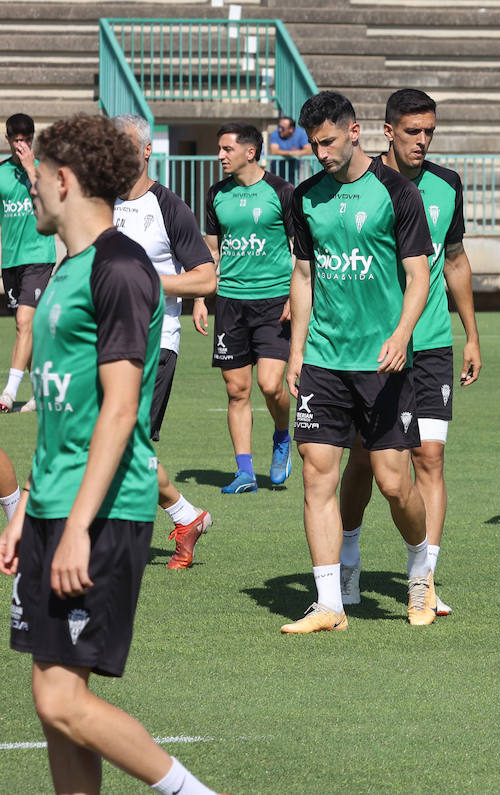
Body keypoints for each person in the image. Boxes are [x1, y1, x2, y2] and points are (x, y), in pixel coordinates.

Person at [0, 112, 220, 795]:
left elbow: (122, 409)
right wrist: (25, 509)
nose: (29, 190)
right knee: (53, 701)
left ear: (63, 179)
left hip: (98, 515)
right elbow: (67, 417)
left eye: (36, 177)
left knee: (63, 699)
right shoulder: (66, 269)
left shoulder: (120, 268)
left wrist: (71, 525)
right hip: (56, 505)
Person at [281, 90, 434, 632]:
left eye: (327, 141)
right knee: (317, 475)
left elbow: (418, 276)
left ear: (355, 131)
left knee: (394, 483)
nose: (320, 153)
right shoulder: (304, 198)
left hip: (383, 362)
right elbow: (304, 277)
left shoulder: (397, 193)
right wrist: (296, 350)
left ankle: (421, 569)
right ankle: (329, 604)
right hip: (324, 357)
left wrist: (401, 334)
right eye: (313, 144)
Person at [337, 88, 481, 616]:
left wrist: (471, 333)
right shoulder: (365, 185)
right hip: (373, 348)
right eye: (412, 131)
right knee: (363, 460)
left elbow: (456, 260)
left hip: (432, 346)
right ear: (388, 132)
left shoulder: (447, 185)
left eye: (429, 132)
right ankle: (348, 560)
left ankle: (425, 576)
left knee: (431, 457)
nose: (422, 141)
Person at [112, 114, 216, 570]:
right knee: (108, 446)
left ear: (147, 149)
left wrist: (147, 280)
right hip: (103, 344)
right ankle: (186, 516)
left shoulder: (170, 207)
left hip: (155, 345)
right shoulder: (99, 202)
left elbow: (205, 278)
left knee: (118, 446)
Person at [203, 121, 296, 494]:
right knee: (236, 390)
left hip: (274, 301)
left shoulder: (282, 192)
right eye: (220, 148)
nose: (220, 155)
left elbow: (299, 250)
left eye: (227, 149)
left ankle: (281, 437)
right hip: (230, 302)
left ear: (250, 152)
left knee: (270, 384)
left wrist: (294, 295)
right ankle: (244, 471)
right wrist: (200, 298)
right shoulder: (216, 194)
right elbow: (211, 251)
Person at [0, 113, 57, 412]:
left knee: (24, 322)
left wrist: (28, 167)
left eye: (26, 139)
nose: (21, 144)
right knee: (25, 328)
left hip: (38, 257)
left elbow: (51, 203)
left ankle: (8, 393)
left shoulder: (43, 170)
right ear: (8, 139)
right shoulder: (0, 173)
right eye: (16, 139)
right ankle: (42, 390)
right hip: (11, 260)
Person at [269, 115, 310, 183]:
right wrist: (292, 153)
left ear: (291, 129)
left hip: (296, 172)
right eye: (279, 127)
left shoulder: (301, 133)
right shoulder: (275, 134)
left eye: (282, 128)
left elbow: (308, 151)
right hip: (277, 172)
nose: (279, 130)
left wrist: (285, 153)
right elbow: (274, 151)